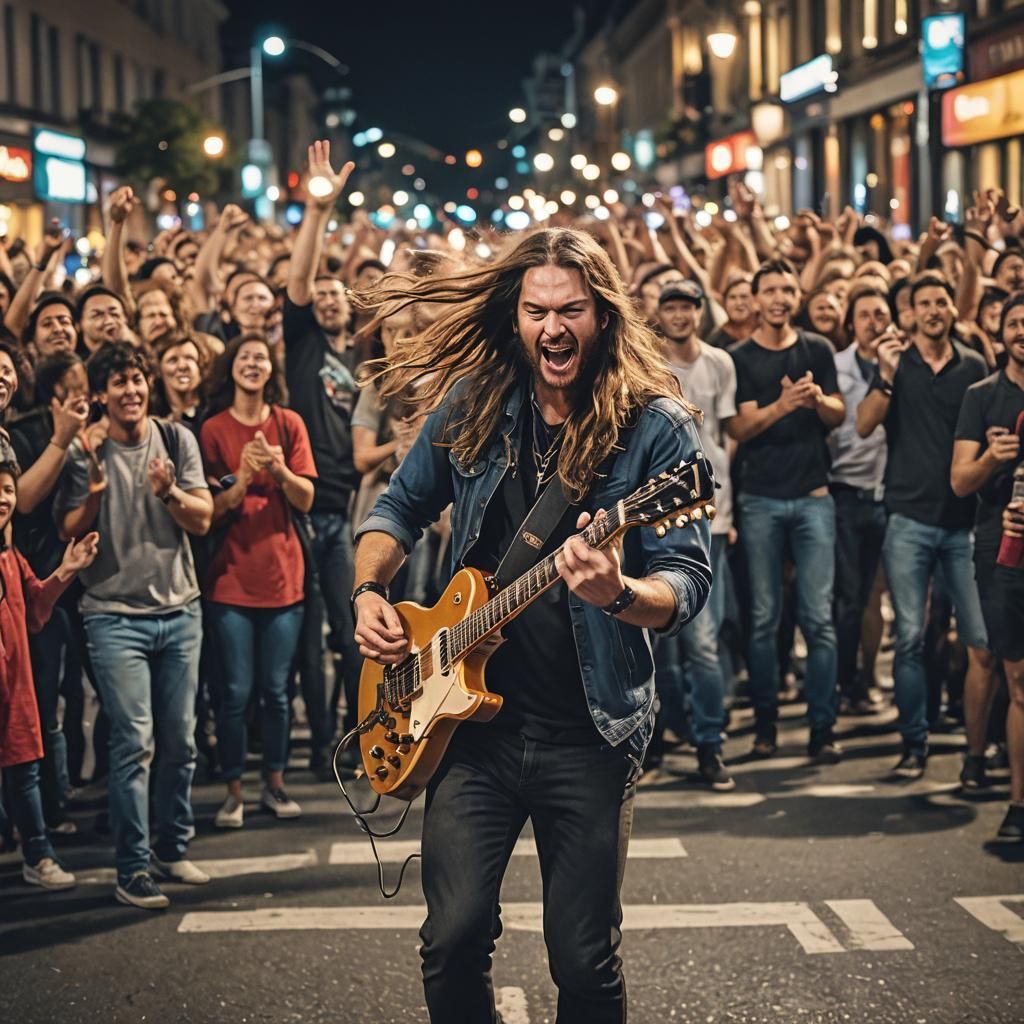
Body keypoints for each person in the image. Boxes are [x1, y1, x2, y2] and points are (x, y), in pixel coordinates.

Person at [353, 225, 712, 1024]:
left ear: (604, 316)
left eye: (573, 310)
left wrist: (619, 594)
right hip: (468, 728)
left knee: (583, 960)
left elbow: (688, 582)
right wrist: (368, 591)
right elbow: (399, 505)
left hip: (589, 728)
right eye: (537, 311)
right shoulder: (477, 404)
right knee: (451, 940)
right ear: (514, 318)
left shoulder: (655, 430)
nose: (554, 328)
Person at [54, 342, 214, 909]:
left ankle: (172, 847)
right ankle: (132, 868)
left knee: (181, 742)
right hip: (112, 616)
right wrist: (95, 492)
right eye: (119, 382)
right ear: (100, 393)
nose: (131, 390)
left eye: (137, 379)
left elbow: (203, 517)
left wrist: (167, 489)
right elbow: (68, 526)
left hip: (180, 611)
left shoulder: (175, 440)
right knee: (134, 744)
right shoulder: (84, 451)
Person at [857, 273, 992, 780]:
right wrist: (887, 373)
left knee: (980, 641)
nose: (934, 310)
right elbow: (864, 424)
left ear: (953, 309)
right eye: (924, 303)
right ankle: (914, 745)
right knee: (910, 637)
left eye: (942, 302)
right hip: (908, 520)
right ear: (909, 312)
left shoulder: (974, 367)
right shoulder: (896, 362)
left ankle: (977, 752)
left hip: (963, 525)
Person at [726, 259, 846, 761]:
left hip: (815, 497)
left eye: (786, 289)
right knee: (764, 617)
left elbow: (840, 416)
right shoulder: (739, 357)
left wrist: (816, 400)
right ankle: (766, 727)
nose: (778, 297)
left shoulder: (817, 347)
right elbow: (738, 429)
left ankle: (823, 729)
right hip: (760, 501)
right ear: (754, 299)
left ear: (796, 296)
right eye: (769, 289)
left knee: (819, 619)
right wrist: (784, 404)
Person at [200, 334, 317, 827]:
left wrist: (278, 468)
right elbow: (209, 510)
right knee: (234, 692)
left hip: (283, 578)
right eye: (245, 358)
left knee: (275, 691)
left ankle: (274, 782)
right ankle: (232, 791)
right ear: (231, 368)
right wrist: (245, 477)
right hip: (229, 581)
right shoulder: (212, 430)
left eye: (261, 359)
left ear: (272, 370)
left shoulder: (288, 424)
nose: (253, 365)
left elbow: (307, 497)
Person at [284, 141, 363, 771]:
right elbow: (299, 283)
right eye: (324, 295)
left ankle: (361, 740)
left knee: (352, 636)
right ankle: (317, 752)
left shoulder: (367, 358)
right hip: (304, 511)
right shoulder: (304, 345)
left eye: (341, 294)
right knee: (307, 645)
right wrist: (318, 213)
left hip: (350, 510)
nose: (330, 300)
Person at [0, 460, 99, 890]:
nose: (3, 498)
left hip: (14, 686)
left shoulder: (10, 555)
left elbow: (36, 611)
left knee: (25, 776)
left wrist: (66, 570)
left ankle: (38, 853)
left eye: (6, 488)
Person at [653, 280, 735, 790]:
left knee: (703, 643)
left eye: (687, 306)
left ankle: (710, 744)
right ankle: (655, 740)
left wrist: (732, 511)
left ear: (700, 312)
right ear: (660, 314)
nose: (680, 315)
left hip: (714, 513)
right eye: (671, 307)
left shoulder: (720, 363)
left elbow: (728, 440)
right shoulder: (645, 363)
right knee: (659, 642)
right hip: (656, 512)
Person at [952, 292, 1024, 818]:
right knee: (1001, 666)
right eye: (1015, 323)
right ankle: (991, 773)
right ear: (1001, 333)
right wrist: (992, 461)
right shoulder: (982, 395)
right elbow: (960, 481)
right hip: (996, 548)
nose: (1023, 331)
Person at [829, 287, 890, 713]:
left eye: (881, 314)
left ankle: (869, 677)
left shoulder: (905, 364)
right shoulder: (837, 366)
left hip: (892, 494)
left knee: (879, 599)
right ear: (851, 323)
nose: (874, 322)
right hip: (847, 492)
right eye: (865, 315)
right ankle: (847, 683)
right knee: (850, 598)